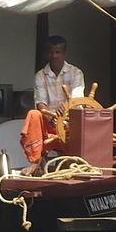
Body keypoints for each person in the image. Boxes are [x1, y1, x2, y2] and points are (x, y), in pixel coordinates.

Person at [20, 35, 86, 169]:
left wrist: (66, 107)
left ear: (64, 54)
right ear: (46, 54)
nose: (54, 55)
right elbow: (40, 103)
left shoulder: (76, 73)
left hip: (70, 124)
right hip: (49, 122)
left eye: (58, 52)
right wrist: (51, 118)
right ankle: (35, 162)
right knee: (33, 114)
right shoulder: (40, 75)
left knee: (79, 115)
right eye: (51, 52)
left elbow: (77, 100)